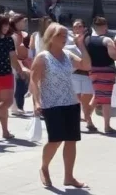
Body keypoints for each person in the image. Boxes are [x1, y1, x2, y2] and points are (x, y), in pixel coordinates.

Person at [30, 22, 88, 189]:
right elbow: (34, 81)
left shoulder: (68, 55)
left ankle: (69, 177)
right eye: (60, 35)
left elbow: (86, 65)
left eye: (65, 35)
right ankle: (44, 167)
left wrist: (81, 45)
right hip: (51, 104)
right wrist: (36, 102)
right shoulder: (42, 57)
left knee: (71, 140)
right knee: (55, 140)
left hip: (71, 102)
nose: (64, 38)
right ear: (50, 37)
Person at [86, 17, 116, 134]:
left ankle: (87, 119)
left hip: (92, 71)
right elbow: (114, 56)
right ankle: (107, 126)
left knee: (97, 97)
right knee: (106, 100)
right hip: (106, 71)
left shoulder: (87, 40)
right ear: (104, 26)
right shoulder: (106, 40)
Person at [67, 20, 96, 132]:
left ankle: (87, 118)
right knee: (76, 100)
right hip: (74, 73)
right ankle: (88, 121)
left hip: (87, 73)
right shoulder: (69, 41)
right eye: (75, 27)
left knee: (86, 99)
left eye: (80, 26)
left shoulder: (89, 40)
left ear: (84, 28)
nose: (78, 28)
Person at [10, 14, 32, 115]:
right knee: (19, 83)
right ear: (16, 23)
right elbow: (13, 53)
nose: (24, 24)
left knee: (24, 83)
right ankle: (18, 106)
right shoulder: (12, 36)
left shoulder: (24, 34)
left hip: (25, 61)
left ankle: (18, 105)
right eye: (22, 21)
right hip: (16, 62)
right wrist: (20, 66)